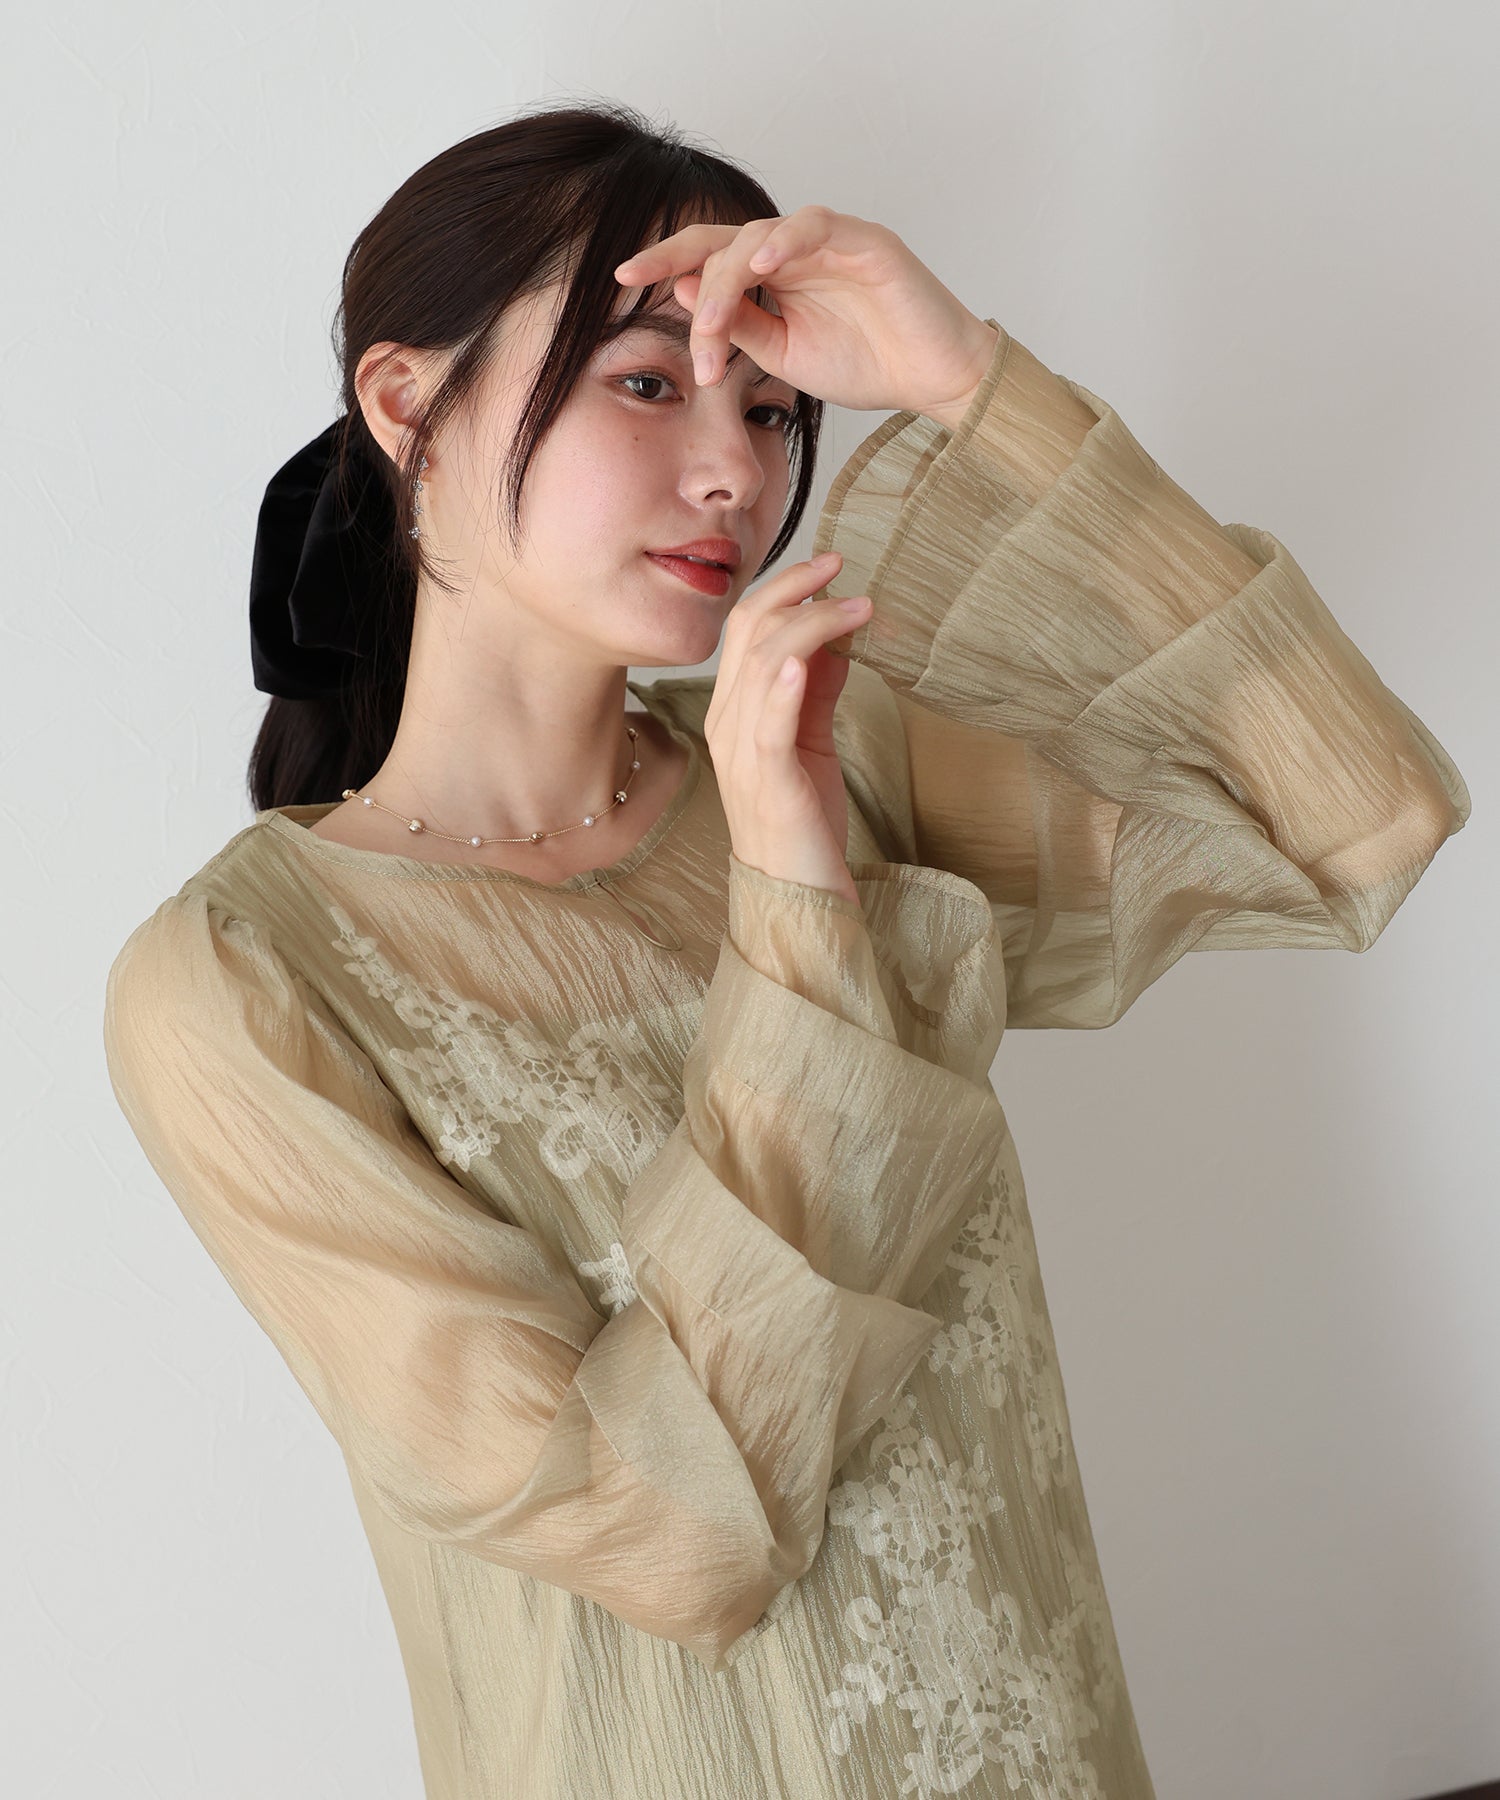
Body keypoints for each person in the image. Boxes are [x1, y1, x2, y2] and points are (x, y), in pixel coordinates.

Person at [100, 97, 1470, 1800]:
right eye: (647, 383)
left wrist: (969, 380)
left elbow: (1352, 810)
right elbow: (664, 1529)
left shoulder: (846, 755)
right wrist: (797, 909)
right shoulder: (243, 982)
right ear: (404, 404)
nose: (737, 473)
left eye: (770, 407)